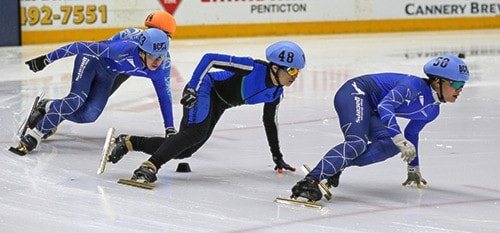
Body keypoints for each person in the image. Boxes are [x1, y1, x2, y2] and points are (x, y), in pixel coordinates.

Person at [106, 40, 306, 183]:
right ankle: (149, 166)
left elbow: (269, 121)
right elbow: (209, 58)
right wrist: (193, 88)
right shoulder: (251, 67)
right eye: (291, 70)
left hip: (220, 104)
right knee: (195, 133)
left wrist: (277, 156)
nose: (295, 76)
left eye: (297, 71)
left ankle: (129, 142)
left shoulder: (275, 94)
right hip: (204, 89)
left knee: (186, 150)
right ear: (274, 67)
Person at [290, 54, 470, 202]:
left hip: (373, 108)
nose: (459, 89)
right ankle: (309, 181)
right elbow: (386, 106)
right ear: (437, 81)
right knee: (357, 142)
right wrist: (399, 139)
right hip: (356, 93)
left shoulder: (432, 111)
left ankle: (337, 165)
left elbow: (412, 133)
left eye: (462, 85)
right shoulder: (413, 86)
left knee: (390, 146)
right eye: (455, 84)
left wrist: (413, 167)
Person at [12, 28, 173, 155]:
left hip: (108, 75)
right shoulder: (121, 49)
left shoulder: (157, 70)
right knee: (75, 100)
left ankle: (48, 106)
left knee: (88, 116)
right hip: (90, 60)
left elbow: (164, 96)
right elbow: (80, 46)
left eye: (162, 56)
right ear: (142, 52)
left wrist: (170, 128)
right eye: (154, 56)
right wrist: (47, 59)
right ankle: (34, 136)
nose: (158, 62)